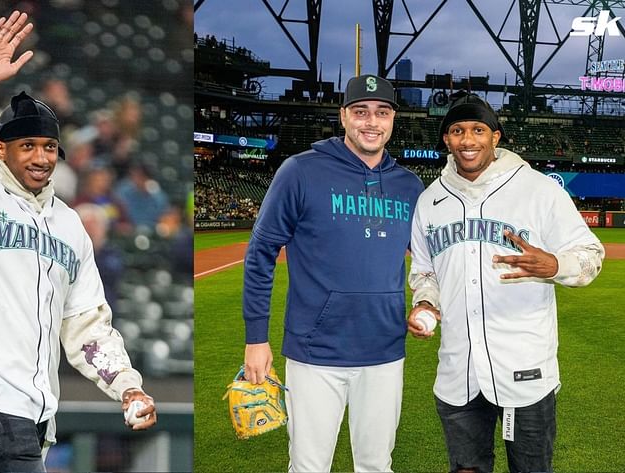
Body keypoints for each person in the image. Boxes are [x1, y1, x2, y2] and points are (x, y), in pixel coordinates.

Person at [0, 11, 156, 472]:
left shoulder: (69, 223)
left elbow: (87, 325)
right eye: (28, 145)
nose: (42, 157)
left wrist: (126, 384)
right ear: (1, 148)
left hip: (37, 414)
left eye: (50, 147)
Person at [407, 92, 604, 473]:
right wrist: (427, 302)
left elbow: (591, 256)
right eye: (457, 131)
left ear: (495, 137)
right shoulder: (431, 200)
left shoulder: (539, 190)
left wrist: (554, 264)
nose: (468, 140)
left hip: (524, 370)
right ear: (446, 140)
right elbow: (425, 272)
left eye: (478, 130)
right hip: (458, 372)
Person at [242, 75, 424, 472]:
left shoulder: (409, 186)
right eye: (360, 112)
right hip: (314, 352)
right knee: (308, 467)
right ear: (343, 116)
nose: (371, 122)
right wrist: (257, 338)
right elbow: (261, 253)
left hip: (384, 351)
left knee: (376, 467)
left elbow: (428, 263)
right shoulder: (300, 172)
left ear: (394, 119)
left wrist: (428, 302)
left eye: (381, 112)